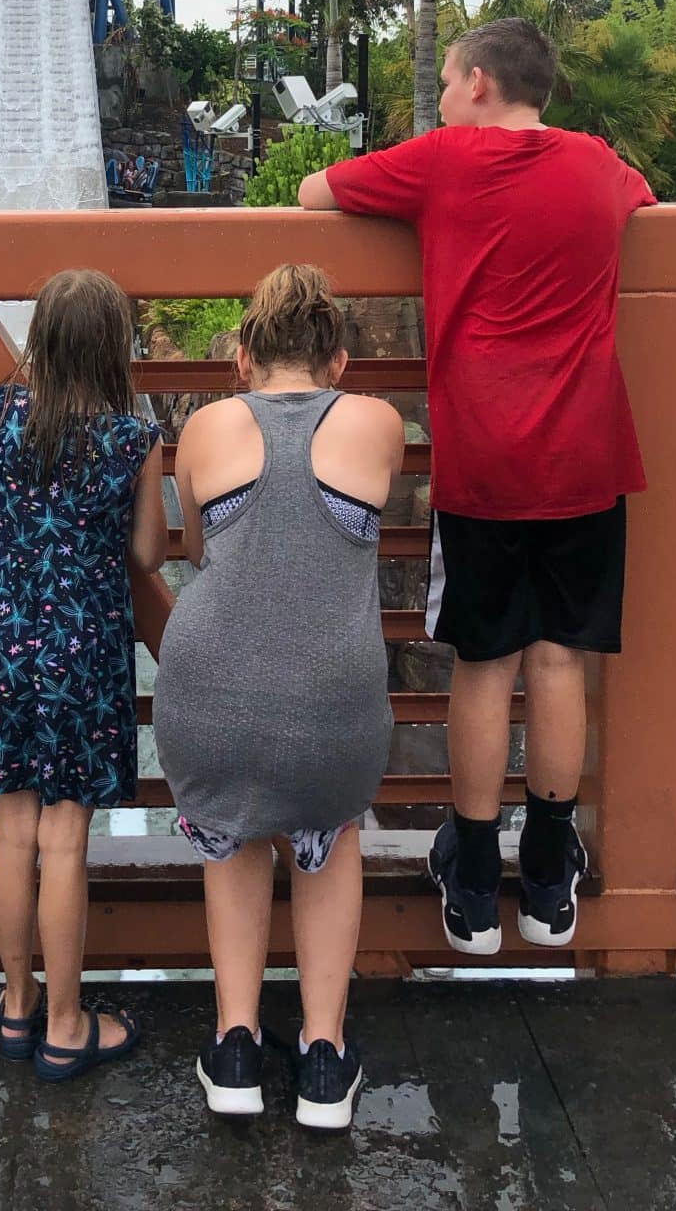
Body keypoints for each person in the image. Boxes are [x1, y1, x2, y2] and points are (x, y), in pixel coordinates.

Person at [299, 17, 657, 957]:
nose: (447, 96)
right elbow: (643, 200)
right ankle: (547, 882)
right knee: (559, 660)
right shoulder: (598, 165)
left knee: (484, 663)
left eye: (452, 81)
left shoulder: (445, 160)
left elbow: (312, 191)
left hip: (488, 459)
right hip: (586, 456)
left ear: (483, 84)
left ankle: (469, 881)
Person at [153, 264, 404, 1131]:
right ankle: (324, 1060)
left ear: (245, 359)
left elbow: (194, 549)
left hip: (207, 695)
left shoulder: (207, 427)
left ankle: (234, 1047)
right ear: (338, 361)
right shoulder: (378, 422)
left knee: (232, 836)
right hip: (334, 705)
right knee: (329, 838)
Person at [0, 269, 168, 1082]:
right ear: (113, 347)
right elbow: (148, 553)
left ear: (41, 341)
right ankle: (67, 1023)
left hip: (10, 637)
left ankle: (17, 1004)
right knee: (66, 839)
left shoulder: (1, 415)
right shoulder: (131, 438)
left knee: (13, 831)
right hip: (84, 647)